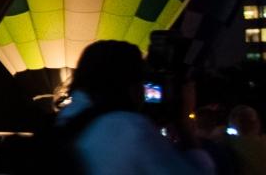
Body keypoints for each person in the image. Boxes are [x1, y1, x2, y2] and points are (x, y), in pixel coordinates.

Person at [57, 40, 212, 175]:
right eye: (142, 81)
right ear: (131, 84)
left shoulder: (63, 121)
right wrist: (185, 125)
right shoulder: (130, 127)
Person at [228, 105, 266, 175]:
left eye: (250, 121)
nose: (246, 124)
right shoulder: (228, 141)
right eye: (243, 121)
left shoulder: (228, 141)